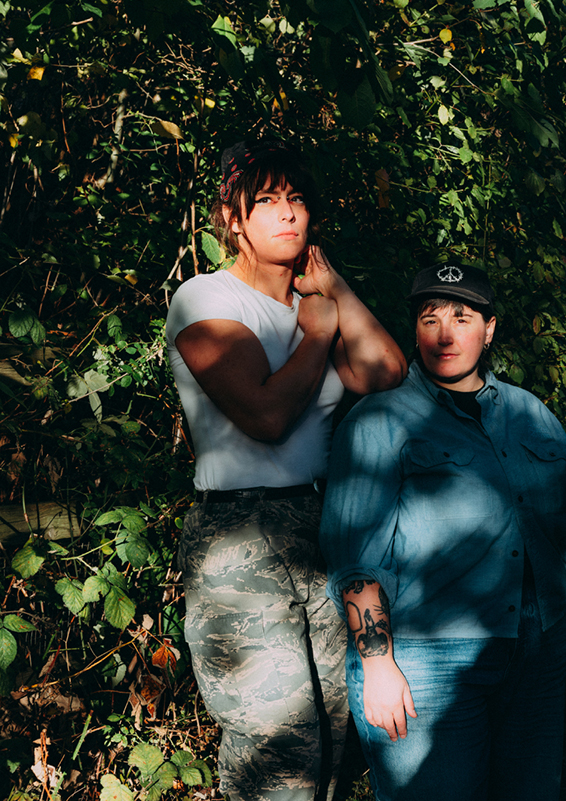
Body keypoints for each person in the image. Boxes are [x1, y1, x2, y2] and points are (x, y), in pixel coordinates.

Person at [165, 139, 407, 800]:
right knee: (275, 744)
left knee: (331, 731)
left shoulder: (311, 306)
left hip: (318, 523)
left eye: (296, 197)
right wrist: (320, 331)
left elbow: (387, 374)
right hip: (238, 530)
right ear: (233, 218)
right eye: (267, 200)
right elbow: (266, 415)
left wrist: (334, 289)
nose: (288, 212)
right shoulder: (205, 298)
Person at [318, 263, 566, 800]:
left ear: (489, 329)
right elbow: (355, 557)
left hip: (537, 652)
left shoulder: (532, 415)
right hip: (427, 660)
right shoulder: (379, 421)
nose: (445, 335)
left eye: (462, 318)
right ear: (415, 330)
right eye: (430, 320)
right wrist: (377, 664)